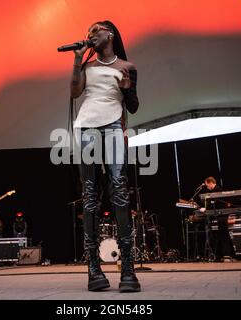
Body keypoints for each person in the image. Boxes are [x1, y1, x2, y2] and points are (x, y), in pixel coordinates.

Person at [70, 20, 140, 292]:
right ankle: (93, 270)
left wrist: (125, 88)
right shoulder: (86, 66)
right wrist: (77, 61)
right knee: (89, 194)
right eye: (88, 33)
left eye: (94, 32)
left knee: (120, 192)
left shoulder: (127, 67)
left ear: (109, 34)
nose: (89, 36)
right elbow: (75, 93)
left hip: (113, 125)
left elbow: (133, 106)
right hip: (86, 126)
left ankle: (128, 269)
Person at [193, 176, 234, 261]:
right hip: (218, 216)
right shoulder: (215, 191)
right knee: (221, 235)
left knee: (223, 235)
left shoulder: (217, 190)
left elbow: (215, 204)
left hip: (221, 216)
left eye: (207, 185)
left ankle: (227, 255)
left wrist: (205, 209)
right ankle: (223, 255)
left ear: (211, 183)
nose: (207, 187)